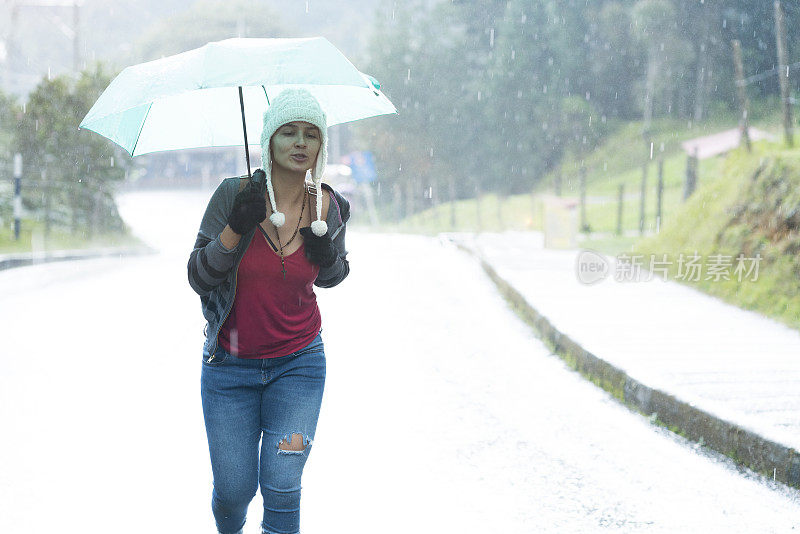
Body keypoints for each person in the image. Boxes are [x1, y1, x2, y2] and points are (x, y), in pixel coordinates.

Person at [187, 88, 350, 534]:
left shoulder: (325, 205)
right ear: (269, 141)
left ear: (321, 145)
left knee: (282, 480)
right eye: (289, 133)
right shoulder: (233, 195)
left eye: (311, 135)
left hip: (299, 367)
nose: (300, 144)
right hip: (228, 371)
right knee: (235, 489)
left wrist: (327, 252)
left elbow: (333, 277)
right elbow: (199, 277)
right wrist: (235, 229)